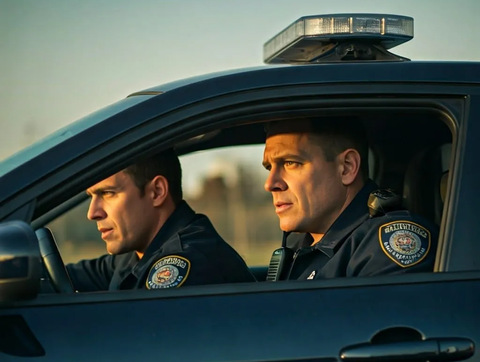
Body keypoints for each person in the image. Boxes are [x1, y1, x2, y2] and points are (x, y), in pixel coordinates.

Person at [262, 116, 438, 280]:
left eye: (290, 163)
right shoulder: (299, 243)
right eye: (269, 167)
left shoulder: (382, 248)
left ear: (346, 167)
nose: (270, 184)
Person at [66, 150, 256, 291]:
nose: (92, 213)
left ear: (157, 192)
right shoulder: (136, 254)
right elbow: (66, 276)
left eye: (108, 193)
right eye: (91, 196)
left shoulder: (189, 264)